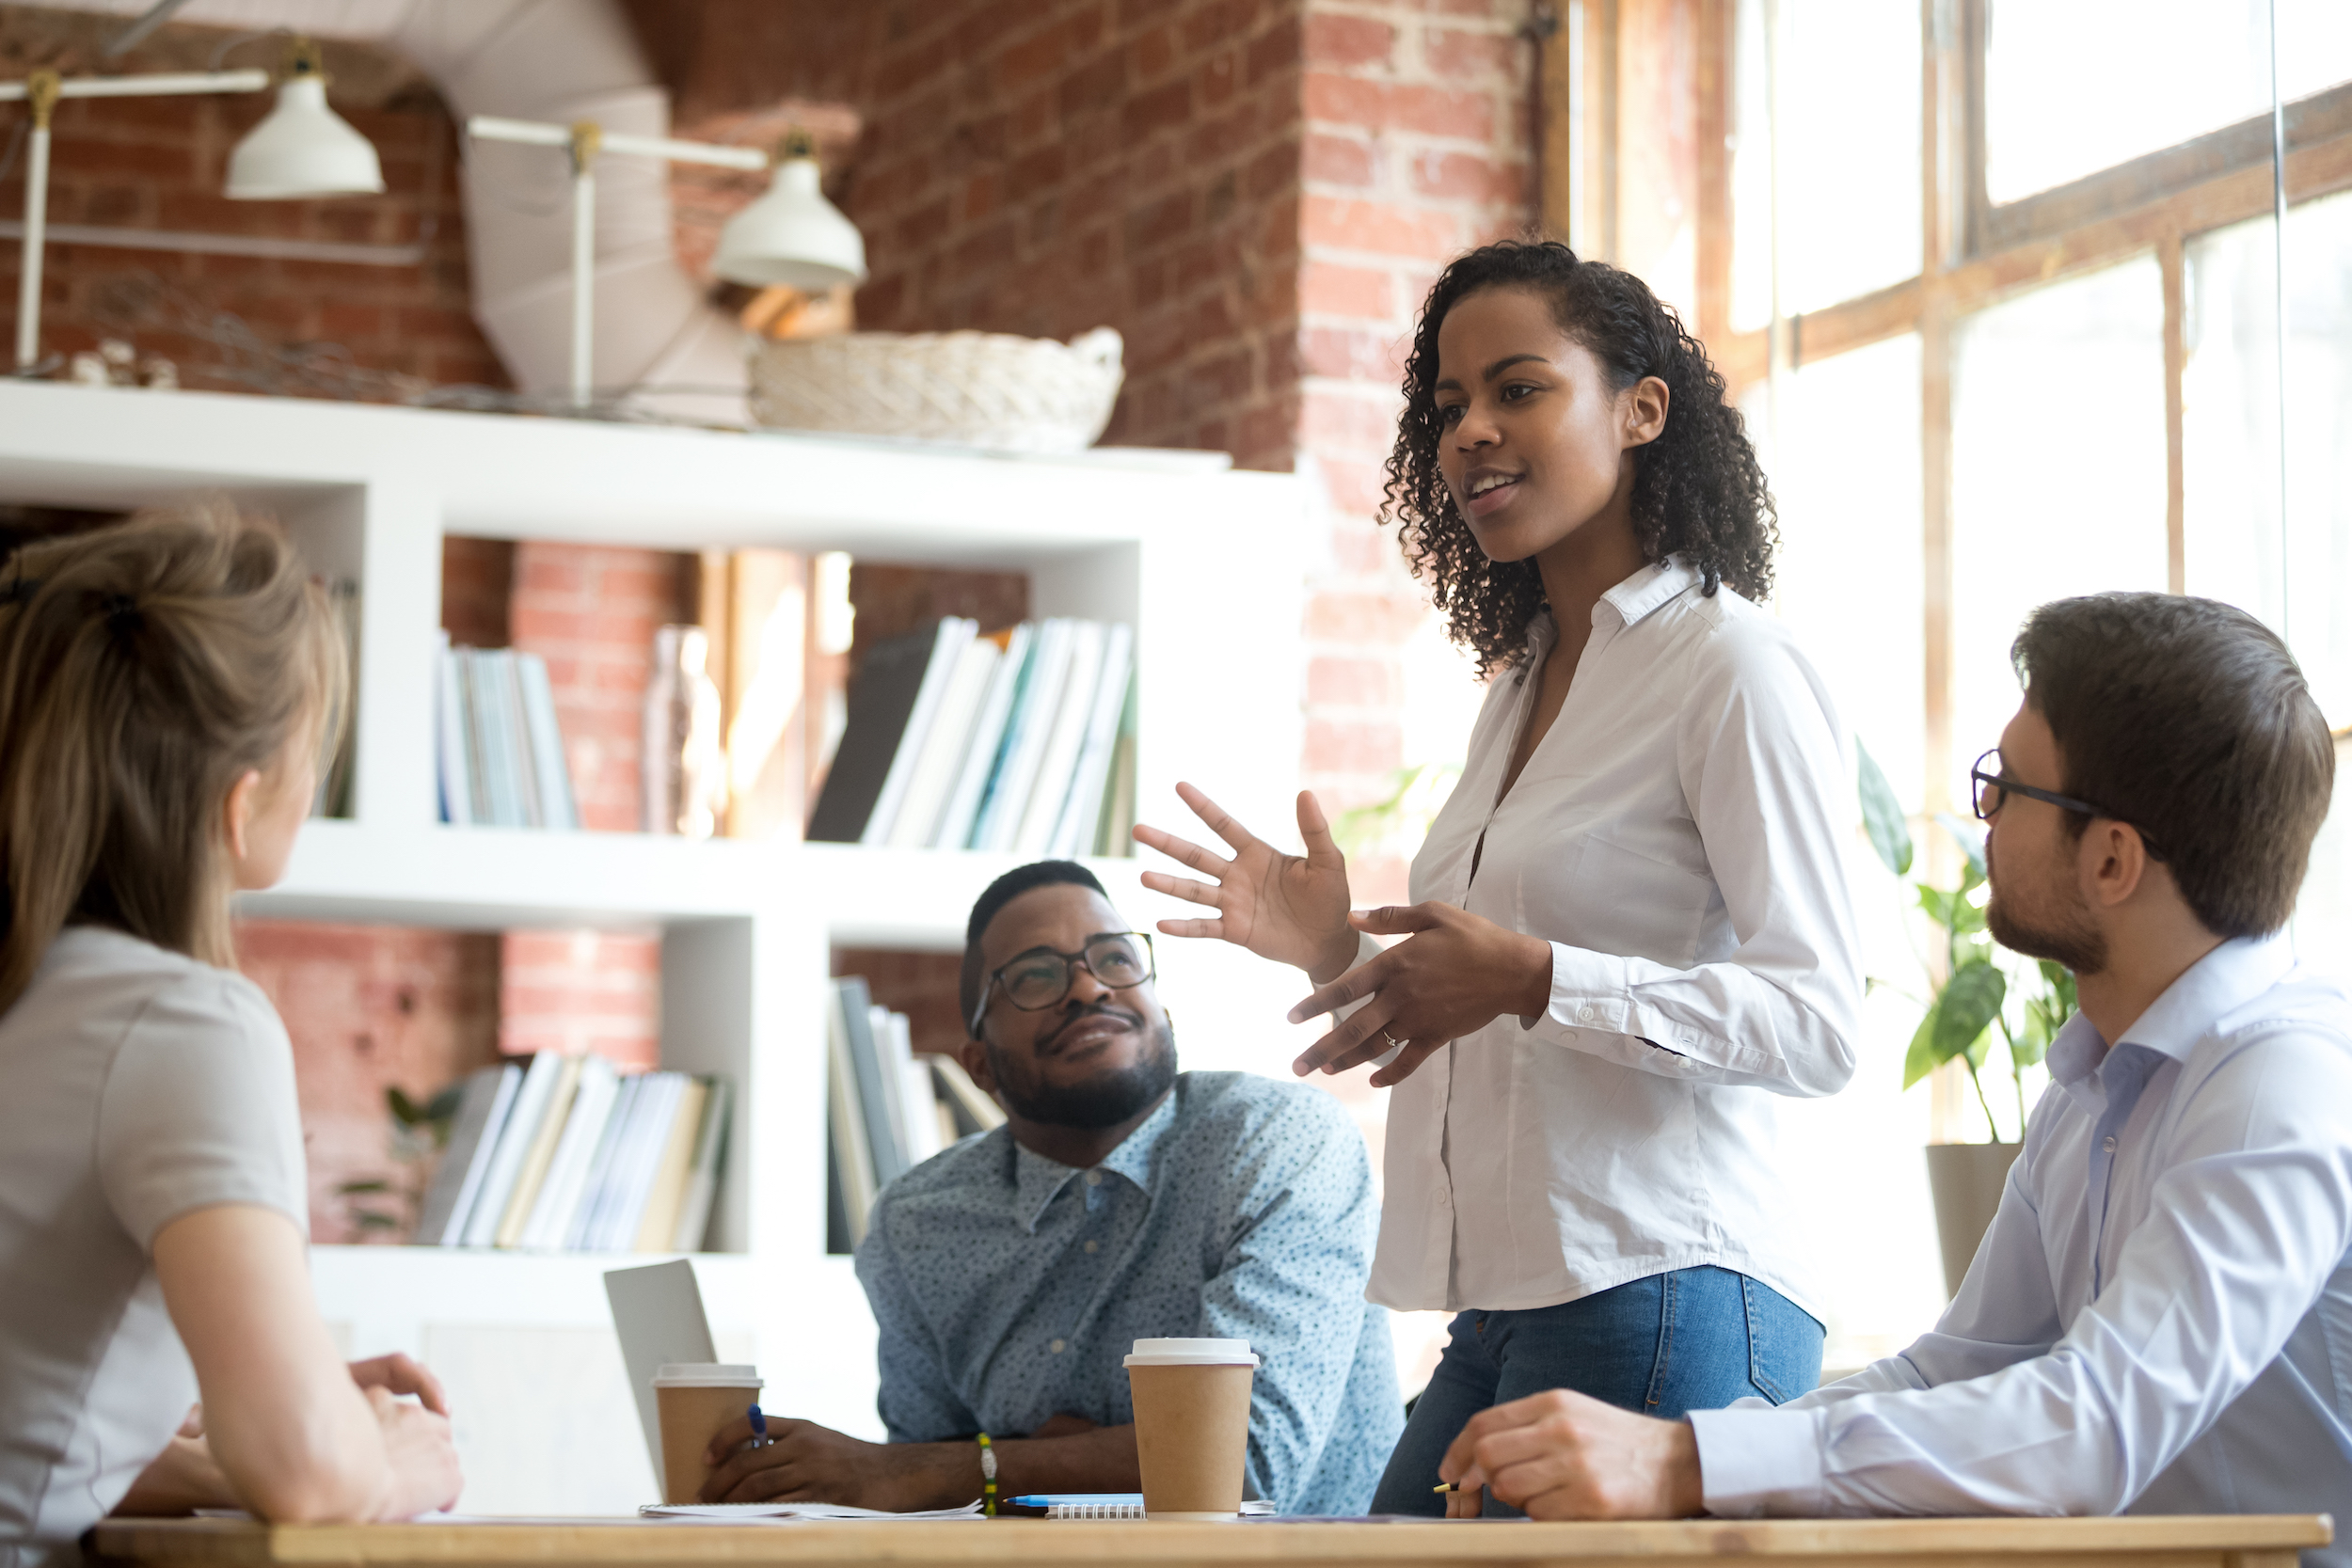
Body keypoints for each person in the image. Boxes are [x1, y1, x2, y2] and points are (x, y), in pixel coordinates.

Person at [1135, 238, 1863, 1515]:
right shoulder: (1521, 688)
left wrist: (1532, 975)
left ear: (1643, 409)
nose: (1470, 431)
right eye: (1447, 406)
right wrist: (1330, 952)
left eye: (1517, 388)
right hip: (1513, 1300)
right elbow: (1494, 1001)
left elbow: (1816, 1021)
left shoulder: (1730, 669)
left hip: (1673, 1284)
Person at [1432, 593, 2350, 1547]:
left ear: (2112, 859)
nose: (1978, 815)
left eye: (2006, 788)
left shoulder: (2279, 1085)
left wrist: (1683, 1464)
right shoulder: (2097, 1084)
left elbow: (2092, 1423)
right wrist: (1682, 1449)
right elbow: (1950, 1370)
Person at [0, 511, 462, 1568]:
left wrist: (264, 1425)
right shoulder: (182, 1021)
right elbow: (306, 1471)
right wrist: (386, 1457)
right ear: (242, 801)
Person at [698, 860, 1401, 1514]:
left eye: (1117, 959)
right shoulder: (916, 1225)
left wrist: (975, 1467)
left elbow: (1239, 1465)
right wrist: (1038, 1462)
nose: (1090, 986)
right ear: (979, 1064)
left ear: (1165, 1014)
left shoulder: (1278, 1142)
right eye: (1034, 976)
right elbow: (933, 1504)